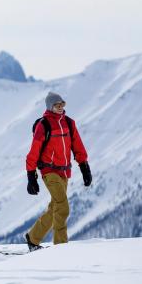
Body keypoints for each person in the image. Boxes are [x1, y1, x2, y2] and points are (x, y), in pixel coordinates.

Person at [24, 92, 92, 251]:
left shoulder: (69, 123)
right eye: (57, 105)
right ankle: (61, 247)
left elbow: (78, 146)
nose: (60, 108)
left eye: (62, 104)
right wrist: (31, 176)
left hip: (64, 172)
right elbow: (34, 151)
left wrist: (84, 167)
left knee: (55, 207)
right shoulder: (44, 125)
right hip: (49, 171)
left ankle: (33, 238)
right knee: (63, 207)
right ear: (50, 106)